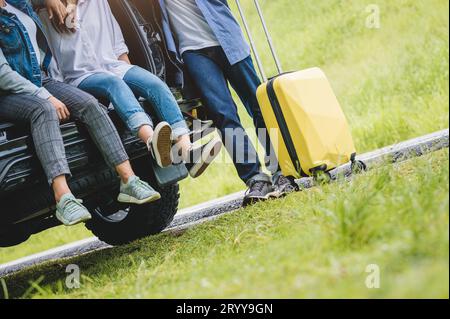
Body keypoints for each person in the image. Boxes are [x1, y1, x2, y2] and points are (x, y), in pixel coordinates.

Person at [0, 0, 162, 226]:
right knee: (44, 110)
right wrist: (44, 95)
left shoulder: (17, 4)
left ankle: (129, 181)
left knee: (90, 104)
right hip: (7, 93)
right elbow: (3, 75)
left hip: (40, 78)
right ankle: (64, 198)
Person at [39, 0, 223, 179]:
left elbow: (116, 38)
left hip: (114, 66)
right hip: (79, 78)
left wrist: (131, 76)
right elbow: (50, 60)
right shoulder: (45, 12)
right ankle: (153, 142)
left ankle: (187, 150)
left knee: (155, 84)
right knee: (114, 84)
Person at [159, 0, 300, 206]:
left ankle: (281, 170)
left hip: (226, 38)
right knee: (223, 116)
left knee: (258, 106)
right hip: (193, 52)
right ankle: (255, 179)